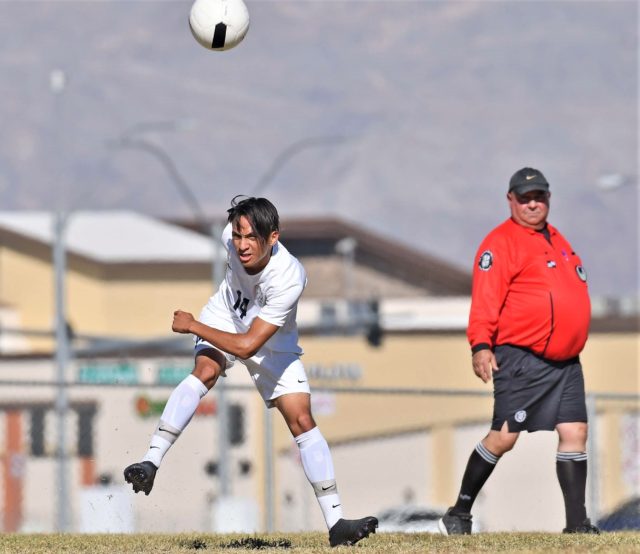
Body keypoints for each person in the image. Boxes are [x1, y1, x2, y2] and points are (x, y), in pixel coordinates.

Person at [124, 196, 378, 547]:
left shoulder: (289, 277)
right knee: (206, 371)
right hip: (224, 316)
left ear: (273, 238)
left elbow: (247, 346)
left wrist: (194, 325)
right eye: (237, 235)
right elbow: (235, 334)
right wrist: (206, 324)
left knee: (302, 420)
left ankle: (336, 525)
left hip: (268, 341)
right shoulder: (230, 241)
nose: (241, 245)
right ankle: (150, 463)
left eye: (250, 237)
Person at [438, 168, 599, 535]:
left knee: (575, 431)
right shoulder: (500, 242)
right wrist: (480, 345)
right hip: (521, 357)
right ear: (510, 199)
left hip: (566, 362)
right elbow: (485, 300)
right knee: (504, 437)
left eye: (538, 197)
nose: (532, 203)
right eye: (524, 197)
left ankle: (577, 525)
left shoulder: (558, 239)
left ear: (548, 199)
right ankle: (459, 512)